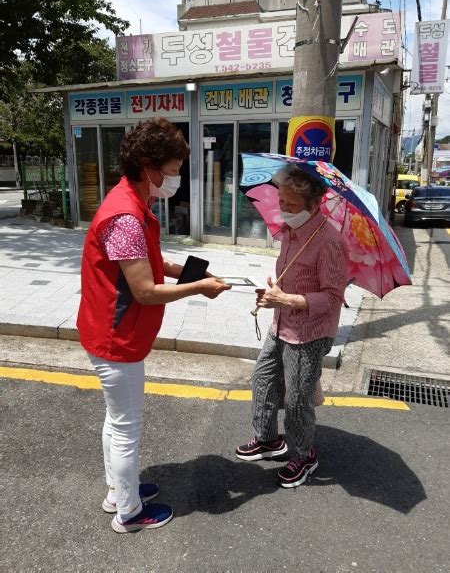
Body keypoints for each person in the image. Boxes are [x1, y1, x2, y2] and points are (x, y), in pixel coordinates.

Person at [77, 118, 230, 533]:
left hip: (108, 331)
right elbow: (143, 290)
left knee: (116, 420)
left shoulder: (131, 203)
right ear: (149, 167)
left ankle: (117, 491)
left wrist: (182, 270)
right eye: (174, 169)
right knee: (127, 427)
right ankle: (128, 513)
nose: (176, 178)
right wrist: (198, 287)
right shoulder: (126, 215)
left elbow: (145, 261)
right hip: (116, 339)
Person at [235, 164, 348, 488]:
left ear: (314, 205)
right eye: (281, 200)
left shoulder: (328, 241)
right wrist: (273, 290)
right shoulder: (289, 231)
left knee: (298, 398)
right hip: (281, 323)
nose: (283, 208)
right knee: (262, 378)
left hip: (310, 333)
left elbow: (331, 298)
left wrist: (283, 299)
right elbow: (290, 279)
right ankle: (269, 439)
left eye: (292, 204)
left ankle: (303, 455)